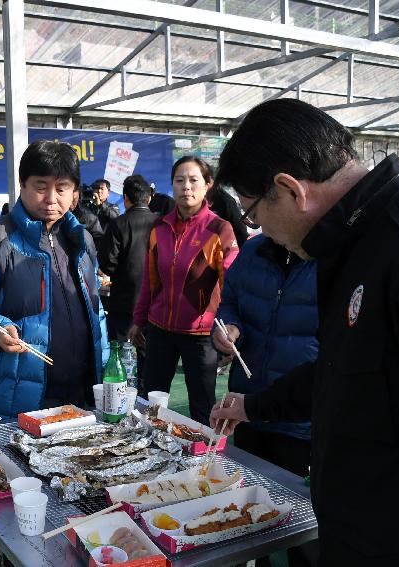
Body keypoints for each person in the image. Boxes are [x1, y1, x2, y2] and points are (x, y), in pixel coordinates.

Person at [209, 98, 399, 565]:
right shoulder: (352, 247)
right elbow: (342, 367)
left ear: (289, 190)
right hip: (360, 533)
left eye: (254, 213)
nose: (260, 229)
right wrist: (254, 405)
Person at [0, 140, 108, 417]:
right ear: (23, 184)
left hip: (82, 394)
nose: (52, 198)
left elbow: (94, 307)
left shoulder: (82, 240)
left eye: (62, 188)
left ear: (74, 192)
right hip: (15, 395)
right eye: (41, 187)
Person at [212, 233, 318, 567]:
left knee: (302, 528)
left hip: (302, 418)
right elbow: (230, 300)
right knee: (244, 512)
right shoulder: (255, 250)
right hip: (249, 405)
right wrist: (229, 327)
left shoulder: (332, 256)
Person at [128, 156, 238, 425]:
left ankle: (203, 464)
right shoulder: (159, 227)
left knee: (202, 407)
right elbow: (150, 281)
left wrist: (228, 328)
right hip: (160, 330)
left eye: (193, 180)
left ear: (207, 185)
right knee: (152, 403)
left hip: (201, 335)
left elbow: (231, 284)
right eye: (179, 180)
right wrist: (139, 320)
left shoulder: (219, 229)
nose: (185, 187)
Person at [98, 174, 158, 343]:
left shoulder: (118, 224)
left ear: (126, 198)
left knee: (121, 354)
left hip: (124, 301)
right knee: (149, 355)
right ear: (149, 198)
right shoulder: (161, 223)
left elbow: (107, 263)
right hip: (156, 303)